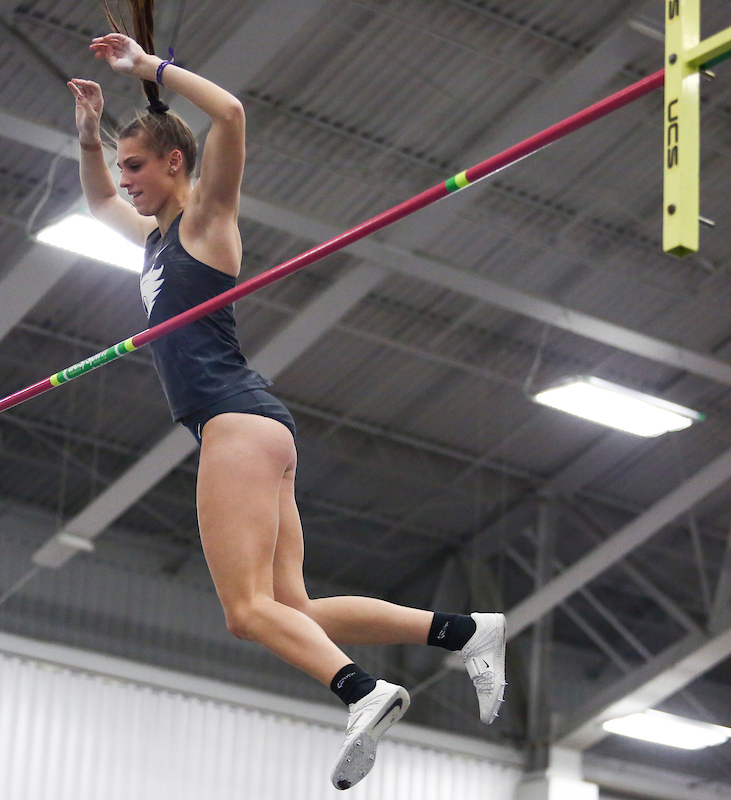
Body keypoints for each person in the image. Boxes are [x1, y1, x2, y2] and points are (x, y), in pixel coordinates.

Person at [68, 2, 506, 789]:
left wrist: (149, 70)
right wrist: (88, 131)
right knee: (289, 607)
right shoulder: (157, 241)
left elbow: (231, 112)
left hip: (234, 424)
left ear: (173, 163)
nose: (124, 181)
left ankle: (363, 691)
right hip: (254, 425)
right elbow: (97, 204)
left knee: (245, 611)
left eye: (134, 166)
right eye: (122, 167)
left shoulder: (204, 221)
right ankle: (466, 632)